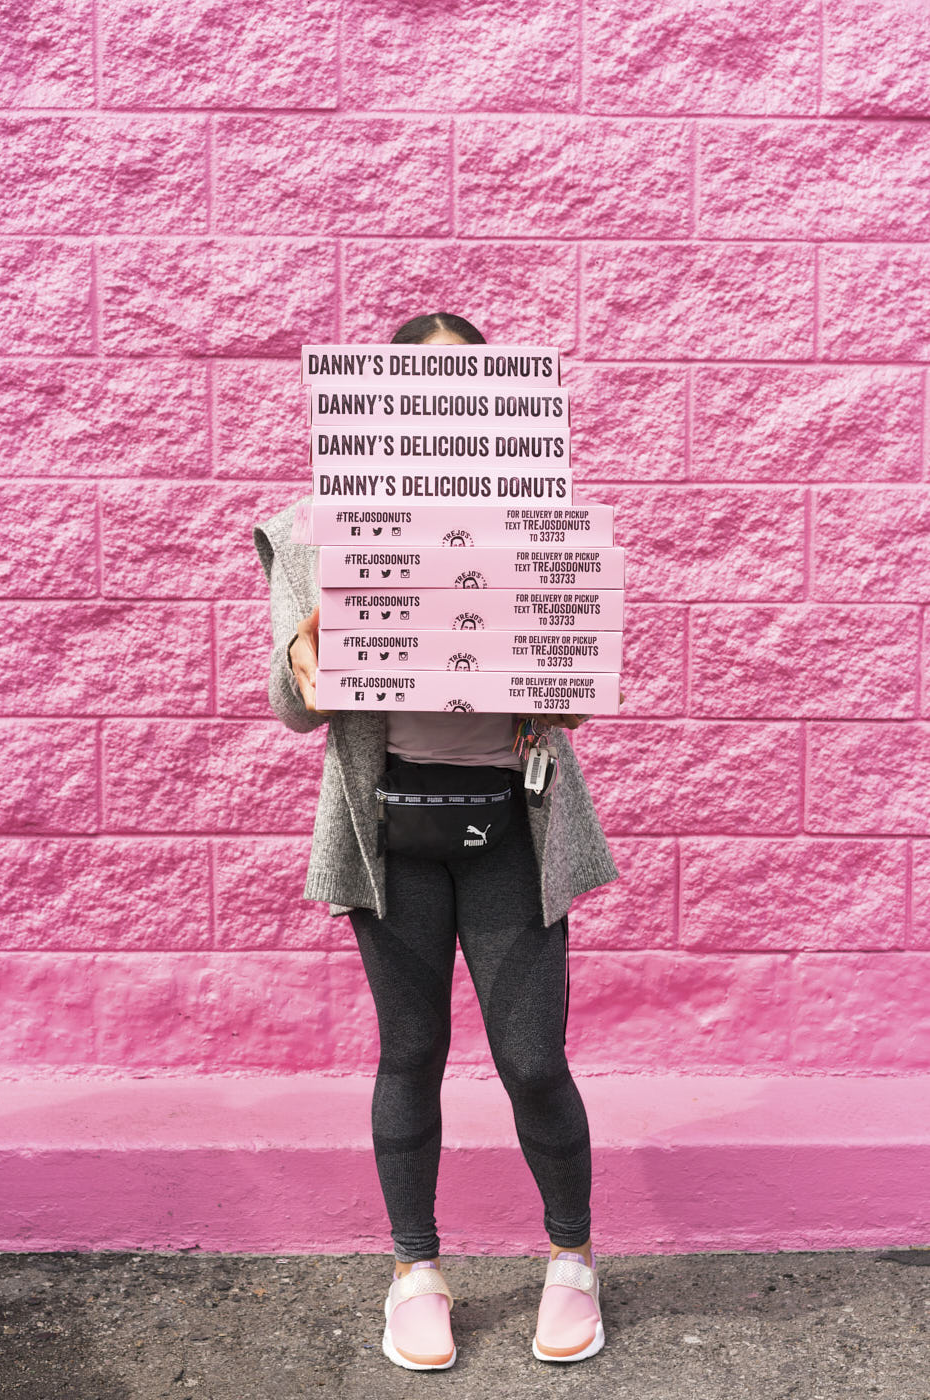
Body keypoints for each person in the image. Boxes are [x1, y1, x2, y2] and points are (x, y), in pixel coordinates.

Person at [253, 311, 619, 1371]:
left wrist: (566, 671)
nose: (444, 409)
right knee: (409, 1050)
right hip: (392, 826)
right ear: (378, 403)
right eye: (423, 387)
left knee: (532, 1057)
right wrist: (305, 651)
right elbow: (293, 704)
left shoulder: (532, 518)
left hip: (513, 818)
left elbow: (574, 705)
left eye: (471, 386)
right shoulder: (318, 528)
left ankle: (572, 1256)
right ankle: (415, 1268)